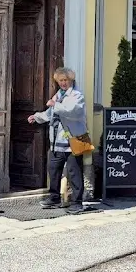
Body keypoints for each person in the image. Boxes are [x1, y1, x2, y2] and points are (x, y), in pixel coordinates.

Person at [28, 67, 88, 214]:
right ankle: (54, 198)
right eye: (60, 80)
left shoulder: (77, 95)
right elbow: (50, 113)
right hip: (57, 141)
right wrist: (36, 117)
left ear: (70, 80)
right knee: (53, 170)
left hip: (74, 140)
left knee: (75, 172)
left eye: (65, 80)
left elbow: (74, 111)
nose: (62, 83)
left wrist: (56, 105)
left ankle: (77, 202)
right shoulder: (58, 95)